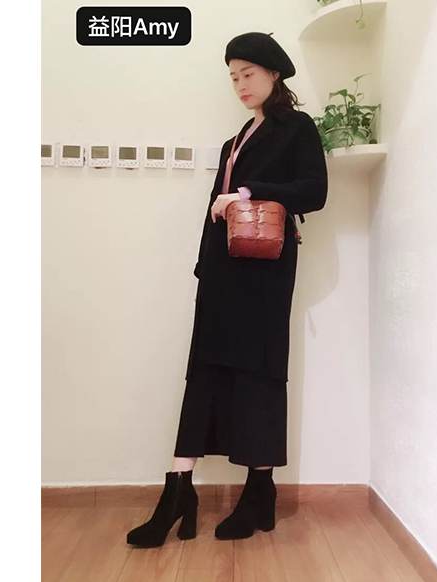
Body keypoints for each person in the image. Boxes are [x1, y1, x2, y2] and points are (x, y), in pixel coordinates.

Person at [127, 31, 328, 547]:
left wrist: (247, 191)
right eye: (233, 77)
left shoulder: (296, 127)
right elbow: (214, 210)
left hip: (264, 273)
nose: (240, 84)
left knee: (258, 371)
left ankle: (260, 491)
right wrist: (204, 269)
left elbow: (314, 191)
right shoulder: (233, 141)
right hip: (221, 273)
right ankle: (179, 488)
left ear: (274, 74)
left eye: (248, 74)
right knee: (205, 371)